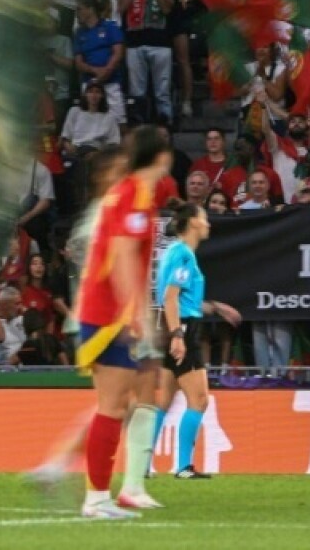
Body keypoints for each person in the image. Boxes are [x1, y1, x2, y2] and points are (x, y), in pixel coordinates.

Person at [75, 126, 172, 518]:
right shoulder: (134, 195)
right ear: (160, 157)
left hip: (107, 313)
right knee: (112, 407)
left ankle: (107, 493)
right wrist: (138, 314)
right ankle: (97, 498)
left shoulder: (131, 193)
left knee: (119, 405)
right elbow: (124, 255)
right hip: (109, 316)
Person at [152, 203, 240, 479]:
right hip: (183, 329)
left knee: (164, 401)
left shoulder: (174, 252)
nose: (208, 223)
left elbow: (181, 298)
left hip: (174, 326)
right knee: (199, 400)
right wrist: (178, 336)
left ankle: (142, 463)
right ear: (192, 222)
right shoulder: (183, 255)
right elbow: (171, 298)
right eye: (204, 218)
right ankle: (183, 466)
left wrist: (214, 307)